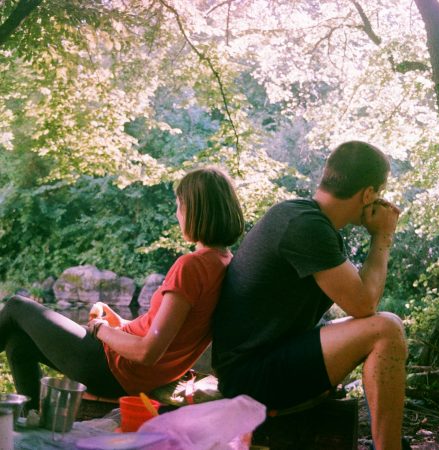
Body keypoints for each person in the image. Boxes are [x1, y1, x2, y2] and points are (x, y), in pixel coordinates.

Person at [212, 141, 407, 450]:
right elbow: (364, 304)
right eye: (379, 193)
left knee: (384, 327)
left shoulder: (306, 219)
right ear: (369, 194)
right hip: (251, 377)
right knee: (387, 329)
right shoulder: (305, 226)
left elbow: (361, 298)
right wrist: (383, 236)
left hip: (267, 360)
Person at [0, 167, 244, 410]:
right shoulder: (223, 262)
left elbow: (147, 352)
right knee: (18, 344)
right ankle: (28, 418)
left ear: (195, 211)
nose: (177, 214)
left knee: (16, 306)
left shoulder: (192, 266)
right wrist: (120, 324)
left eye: (179, 207)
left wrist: (100, 329)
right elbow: (162, 331)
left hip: (116, 369)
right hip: (126, 367)